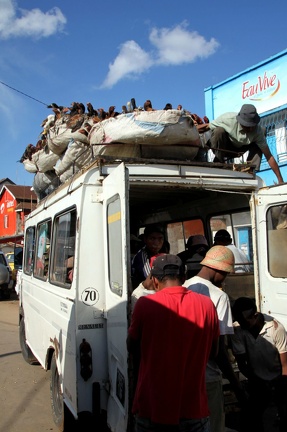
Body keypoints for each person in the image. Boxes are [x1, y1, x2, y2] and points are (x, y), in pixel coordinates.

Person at [127, 254, 220, 432]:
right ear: (184, 278)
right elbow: (213, 351)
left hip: (152, 407)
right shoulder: (207, 305)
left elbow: (131, 346)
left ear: (154, 280)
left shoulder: (144, 304)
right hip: (194, 409)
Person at [184, 246, 247, 432]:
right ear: (218, 269)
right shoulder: (219, 296)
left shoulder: (183, 287)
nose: (225, 279)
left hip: (185, 374)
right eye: (226, 274)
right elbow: (218, 350)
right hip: (208, 377)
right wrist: (237, 386)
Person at [231, 297, 287, 432]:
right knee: (252, 418)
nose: (240, 323)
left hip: (278, 377)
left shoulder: (276, 327)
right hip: (256, 378)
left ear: (255, 316)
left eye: (244, 321)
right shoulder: (237, 329)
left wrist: (283, 385)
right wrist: (256, 380)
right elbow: (241, 362)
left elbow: (285, 364)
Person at [207, 104, 284, 184]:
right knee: (218, 131)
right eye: (247, 126)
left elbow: (269, 156)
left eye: (252, 126)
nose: (250, 129)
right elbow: (206, 127)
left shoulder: (257, 131)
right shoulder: (227, 119)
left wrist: (280, 180)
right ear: (240, 121)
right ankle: (219, 161)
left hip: (242, 148)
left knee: (262, 130)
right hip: (225, 147)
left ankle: (250, 168)